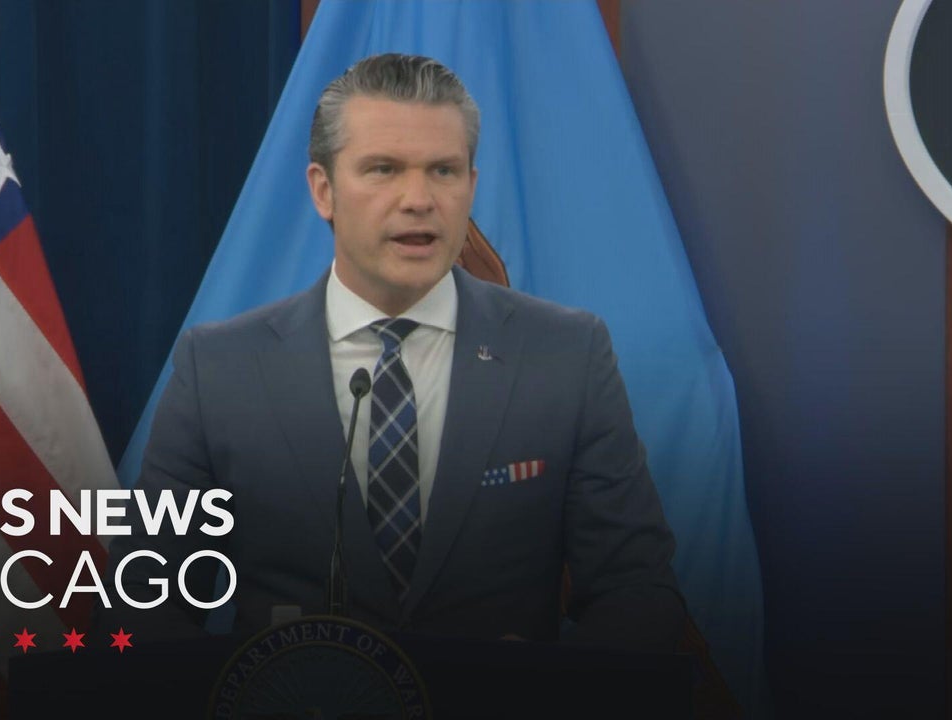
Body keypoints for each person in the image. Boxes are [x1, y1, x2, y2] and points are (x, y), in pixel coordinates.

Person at [100, 53, 685, 651]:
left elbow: (638, 592)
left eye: (444, 171)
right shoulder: (220, 369)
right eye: (383, 169)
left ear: (471, 186)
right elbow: (143, 604)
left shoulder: (566, 355)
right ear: (323, 190)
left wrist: (539, 688)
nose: (418, 199)